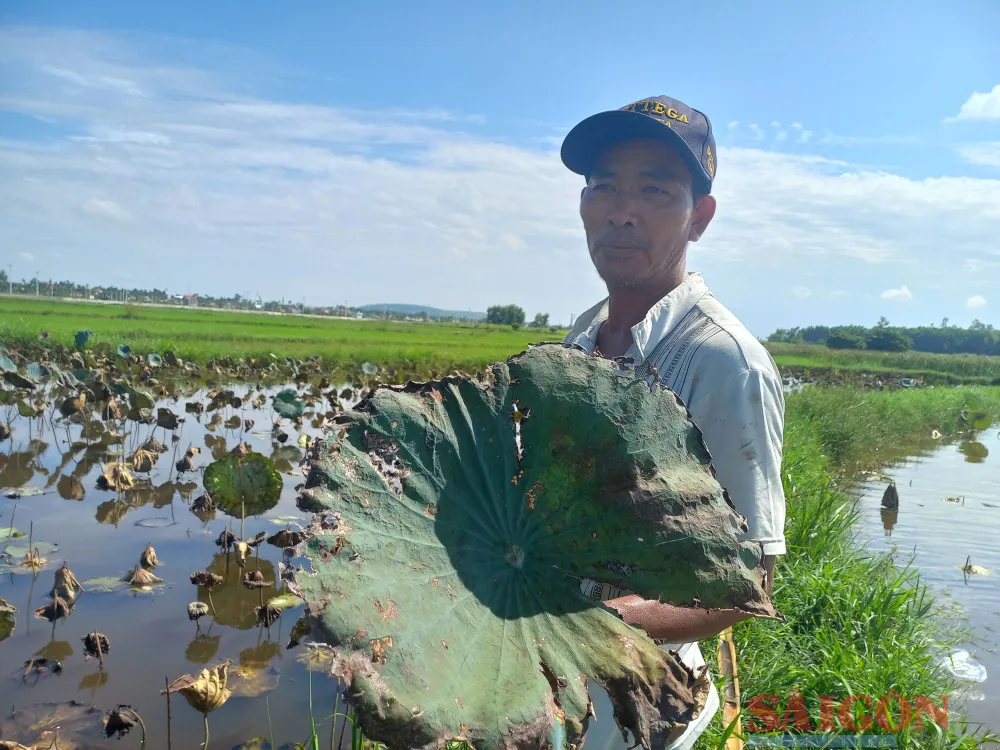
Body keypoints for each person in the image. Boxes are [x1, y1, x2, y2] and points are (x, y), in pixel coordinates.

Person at [559, 95, 787, 749]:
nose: (620, 211)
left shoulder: (722, 361)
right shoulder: (579, 341)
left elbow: (749, 584)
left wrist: (596, 621)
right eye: (603, 186)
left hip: (637, 701)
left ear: (700, 217)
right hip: (544, 679)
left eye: (654, 190)